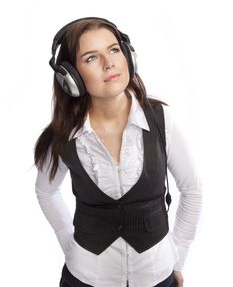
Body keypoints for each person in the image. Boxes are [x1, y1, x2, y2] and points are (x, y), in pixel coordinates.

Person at [34, 17, 202, 287]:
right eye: (91, 58)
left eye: (113, 50)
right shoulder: (63, 135)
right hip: (86, 278)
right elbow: (46, 191)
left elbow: (192, 190)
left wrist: (177, 259)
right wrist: (71, 246)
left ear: (128, 56)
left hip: (156, 277)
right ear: (71, 77)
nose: (109, 63)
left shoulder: (160, 120)